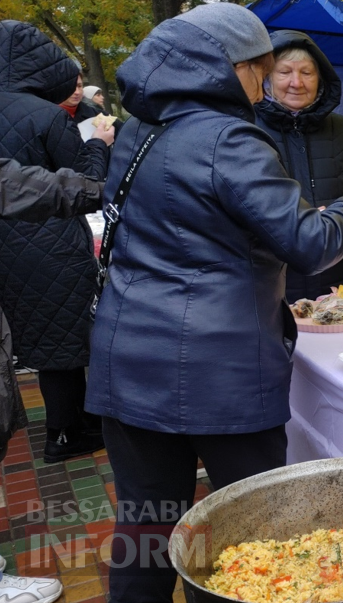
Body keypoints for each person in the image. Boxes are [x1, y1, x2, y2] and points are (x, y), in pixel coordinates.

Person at [83, 5, 343, 603]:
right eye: (263, 69)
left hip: (130, 356)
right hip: (221, 370)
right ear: (233, 68)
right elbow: (306, 242)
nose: (265, 83)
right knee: (255, 532)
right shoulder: (228, 137)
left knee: (147, 525)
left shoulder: (141, 128)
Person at [0, 21, 114, 465]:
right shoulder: (46, 114)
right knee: (66, 340)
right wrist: (100, 143)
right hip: (51, 238)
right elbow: (84, 180)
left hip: (9, 246)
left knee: (44, 339)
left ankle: (67, 424)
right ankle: (65, 434)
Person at [0, 159, 105, 603]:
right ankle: (65, 433)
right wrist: (107, 170)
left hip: (26, 261)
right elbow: (31, 186)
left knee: (53, 358)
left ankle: (64, 431)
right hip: (48, 252)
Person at [254, 30, 343, 301]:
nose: (296, 82)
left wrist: (340, 226)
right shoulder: (247, 130)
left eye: (307, 72)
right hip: (273, 287)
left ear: (320, 78)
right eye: (284, 72)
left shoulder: (342, 129)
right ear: (267, 77)